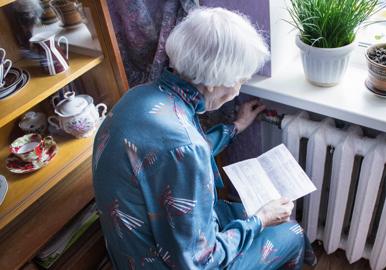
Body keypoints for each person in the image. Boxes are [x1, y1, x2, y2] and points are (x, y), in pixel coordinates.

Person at [92, 7, 316, 270]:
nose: (238, 90)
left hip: (129, 249)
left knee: (247, 213)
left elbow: (171, 153)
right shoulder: (186, 146)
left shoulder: (140, 96)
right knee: (290, 231)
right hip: (165, 262)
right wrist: (261, 219)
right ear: (212, 82)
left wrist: (235, 126)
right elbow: (202, 263)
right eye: (240, 81)